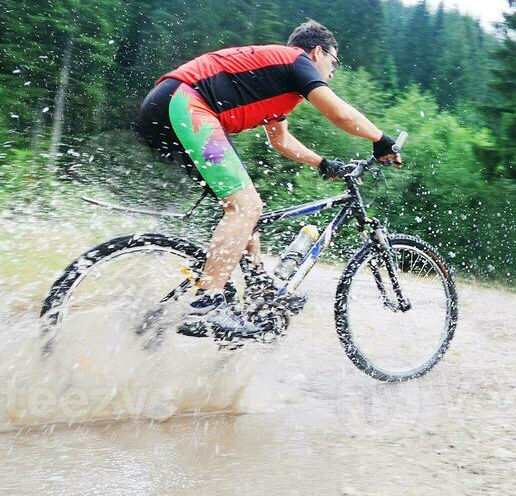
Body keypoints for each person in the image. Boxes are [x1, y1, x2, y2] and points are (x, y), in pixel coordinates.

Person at [136, 20, 401, 339]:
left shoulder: (278, 81)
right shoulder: (296, 61)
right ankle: (208, 303)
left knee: (247, 210)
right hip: (185, 104)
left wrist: (323, 163)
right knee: (245, 206)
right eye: (333, 62)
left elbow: (281, 141)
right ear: (317, 52)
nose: (332, 72)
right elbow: (339, 114)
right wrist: (380, 139)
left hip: (173, 107)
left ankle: (259, 287)